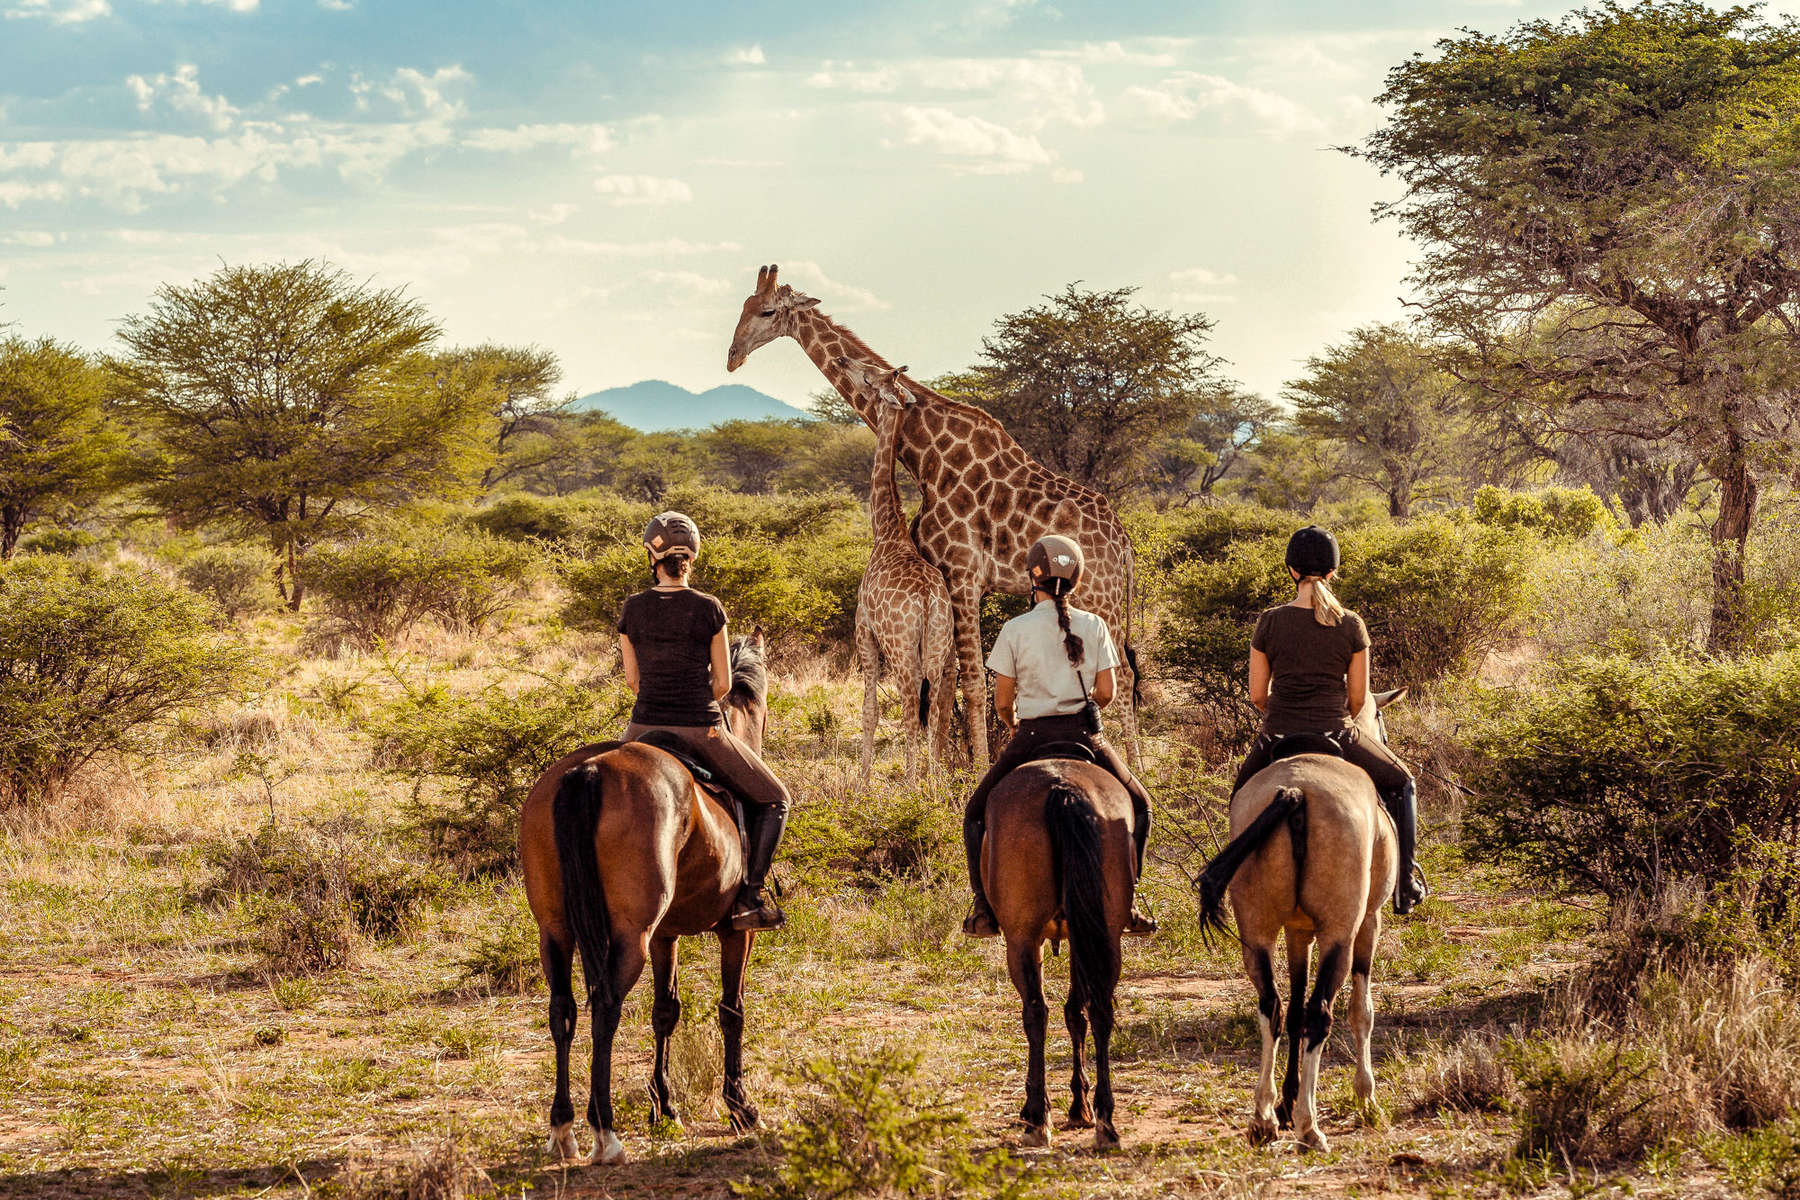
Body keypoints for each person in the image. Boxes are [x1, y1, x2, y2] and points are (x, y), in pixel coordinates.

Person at [961, 534, 1157, 939]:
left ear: (1033, 579)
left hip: (1031, 734)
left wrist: (1015, 724)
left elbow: (1001, 701)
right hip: (1086, 734)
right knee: (1140, 803)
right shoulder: (1096, 625)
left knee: (975, 811)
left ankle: (983, 907)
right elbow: (1107, 693)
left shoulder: (1015, 628)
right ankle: (1131, 899)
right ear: (1076, 579)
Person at [1233, 525, 1429, 914]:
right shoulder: (1352, 624)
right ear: (1333, 572)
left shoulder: (1269, 621)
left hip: (1277, 735)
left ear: (1291, 571)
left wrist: (1286, 715)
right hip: (1337, 732)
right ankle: (1405, 882)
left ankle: (1240, 879)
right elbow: (1358, 700)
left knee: (1240, 796)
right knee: (1404, 783)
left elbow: (1257, 696)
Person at [617, 511, 790, 931]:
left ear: (651, 556)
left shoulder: (633, 608)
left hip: (642, 727)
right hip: (702, 726)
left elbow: (633, 681)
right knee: (775, 799)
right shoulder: (710, 608)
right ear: (691, 558)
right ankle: (749, 895)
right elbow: (724, 683)